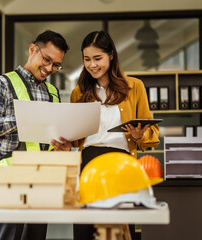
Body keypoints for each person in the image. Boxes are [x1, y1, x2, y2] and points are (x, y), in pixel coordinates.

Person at [0, 30, 71, 240]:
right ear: (32, 49)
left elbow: (53, 135)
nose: (49, 68)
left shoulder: (53, 92)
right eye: (46, 60)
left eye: (56, 65)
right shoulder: (1, 84)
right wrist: (25, 117)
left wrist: (63, 147)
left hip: (44, 178)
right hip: (11, 177)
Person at [70, 30, 160, 240]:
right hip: (88, 165)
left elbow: (153, 134)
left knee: (120, 229)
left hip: (122, 165)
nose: (92, 65)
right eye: (87, 59)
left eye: (98, 58)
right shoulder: (79, 92)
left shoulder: (134, 87)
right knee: (86, 228)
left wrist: (139, 136)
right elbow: (75, 138)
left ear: (111, 55)